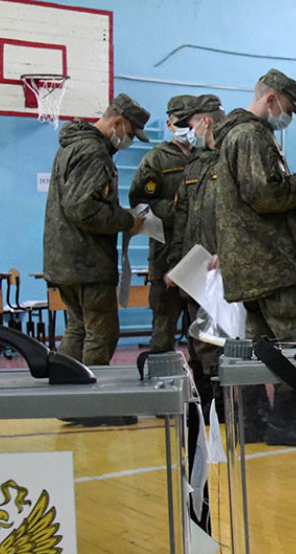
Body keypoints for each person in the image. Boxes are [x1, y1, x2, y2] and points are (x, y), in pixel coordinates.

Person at [214, 70, 296, 446]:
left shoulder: (237, 135)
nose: (288, 116)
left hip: (252, 261)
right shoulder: (251, 136)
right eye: (289, 107)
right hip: (269, 261)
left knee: (260, 345)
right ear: (272, 98)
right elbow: (265, 195)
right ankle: (282, 420)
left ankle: (253, 421)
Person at [42, 94, 148, 426]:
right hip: (86, 260)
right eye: (129, 132)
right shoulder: (94, 153)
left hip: (64, 258)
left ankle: (68, 400)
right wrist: (126, 220)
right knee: (101, 332)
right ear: (117, 122)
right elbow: (82, 208)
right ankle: (92, 403)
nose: (128, 140)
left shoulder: (72, 146)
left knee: (77, 328)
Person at [164, 94, 226, 425]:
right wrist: (176, 265)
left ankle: (227, 410)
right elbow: (181, 219)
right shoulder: (196, 165)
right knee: (199, 343)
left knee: (224, 345)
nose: (188, 130)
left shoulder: (232, 154)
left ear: (206, 122)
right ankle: (203, 412)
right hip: (196, 269)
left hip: (225, 268)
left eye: (191, 123)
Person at [129, 94, 194, 352]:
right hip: (165, 258)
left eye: (191, 123)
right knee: (163, 333)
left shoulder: (206, 156)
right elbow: (140, 204)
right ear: (169, 124)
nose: (186, 129)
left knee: (203, 337)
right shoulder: (156, 159)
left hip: (199, 257)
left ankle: (207, 390)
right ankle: (158, 387)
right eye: (181, 123)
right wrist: (179, 209)